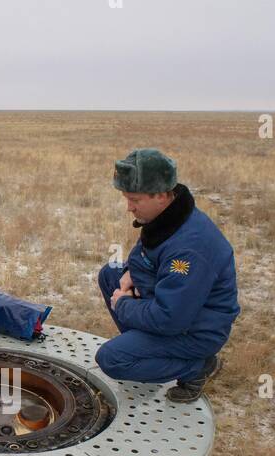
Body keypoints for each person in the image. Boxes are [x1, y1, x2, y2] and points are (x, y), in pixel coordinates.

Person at [94, 148, 239, 402]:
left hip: (194, 332)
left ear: (161, 195)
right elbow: (149, 248)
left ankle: (198, 367)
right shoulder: (169, 216)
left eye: (134, 200)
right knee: (111, 274)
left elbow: (170, 319)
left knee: (112, 359)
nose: (129, 207)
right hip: (173, 310)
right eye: (126, 198)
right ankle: (146, 352)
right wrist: (130, 271)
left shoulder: (190, 249)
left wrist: (124, 305)